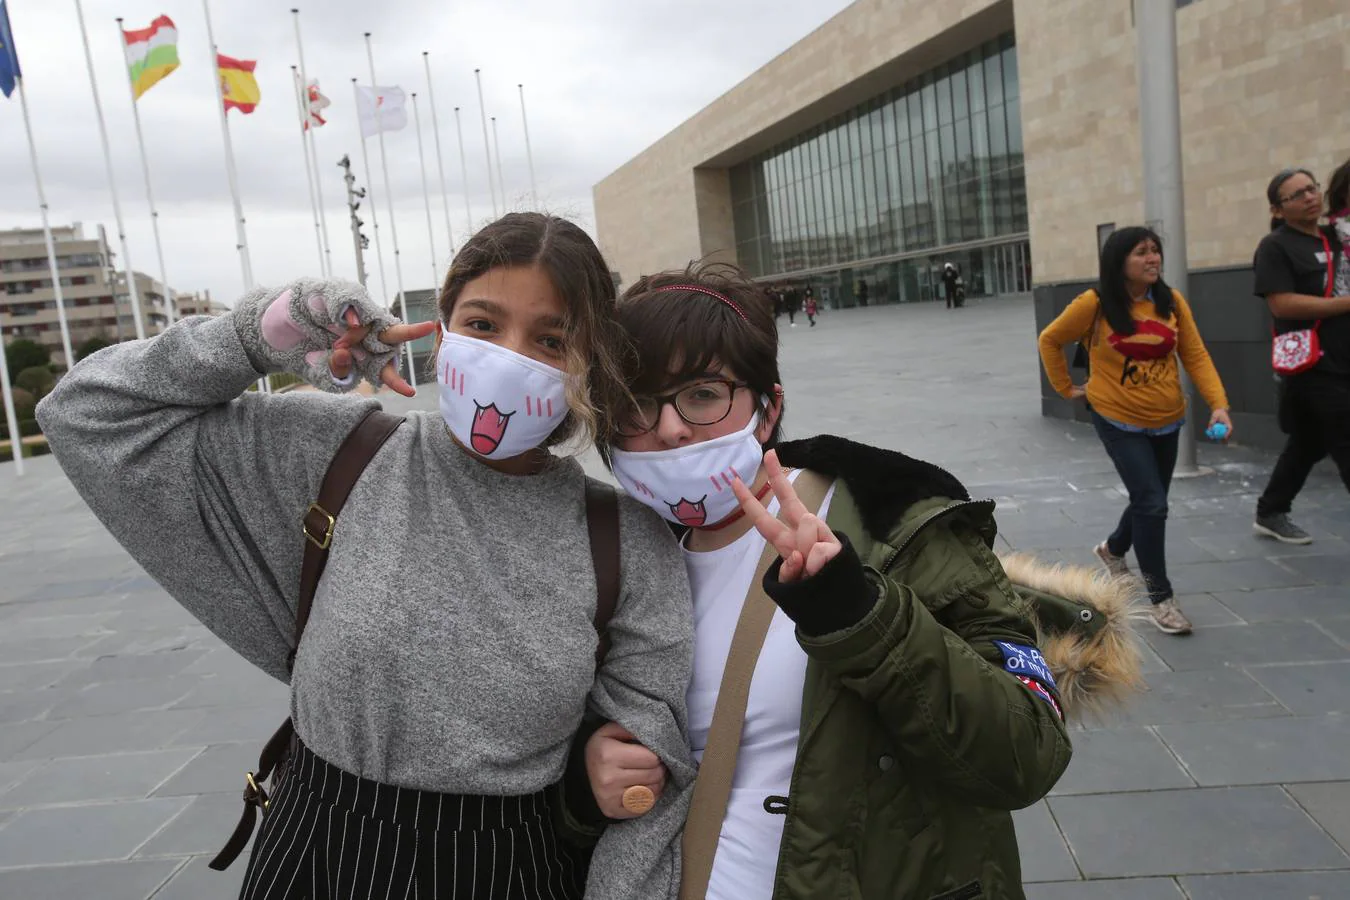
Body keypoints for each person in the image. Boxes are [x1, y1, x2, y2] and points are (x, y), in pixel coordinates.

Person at [36, 213, 697, 900]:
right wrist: (258, 335)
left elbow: (651, 790)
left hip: (512, 868)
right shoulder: (341, 451)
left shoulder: (624, 539)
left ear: (590, 360)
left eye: (551, 339)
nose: (509, 356)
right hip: (318, 853)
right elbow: (85, 412)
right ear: (440, 327)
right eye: (482, 324)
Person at [574, 263, 1141, 899]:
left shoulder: (894, 522)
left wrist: (861, 615)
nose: (670, 428)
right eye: (635, 404)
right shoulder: (611, 552)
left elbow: (1024, 755)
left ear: (768, 409)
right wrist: (587, 779)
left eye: (703, 394)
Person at [1038, 226, 1233, 635]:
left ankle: (1112, 549)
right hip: (1117, 417)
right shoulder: (1095, 304)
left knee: (1152, 499)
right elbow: (1050, 339)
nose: (1153, 259)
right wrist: (1066, 389)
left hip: (1168, 419)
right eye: (1141, 252)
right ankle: (1161, 598)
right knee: (1152, 503)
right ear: (1119, 261)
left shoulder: (1171, 302)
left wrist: (1219, 405)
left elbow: (1195, 355)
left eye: (1155, 251)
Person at [1250, 167, 1350, 543]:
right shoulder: (1275, 247)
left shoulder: (1337, 237)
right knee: (1346, 437)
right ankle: (1271, 511)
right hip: (1312, 364)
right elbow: (1282, 304)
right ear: (1278, 209)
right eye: (1297, 195)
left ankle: (1271, 510)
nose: (1310, 197)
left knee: (1309, 442)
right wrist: (1344, 305)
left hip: (1344, 357)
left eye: (1312, 189)